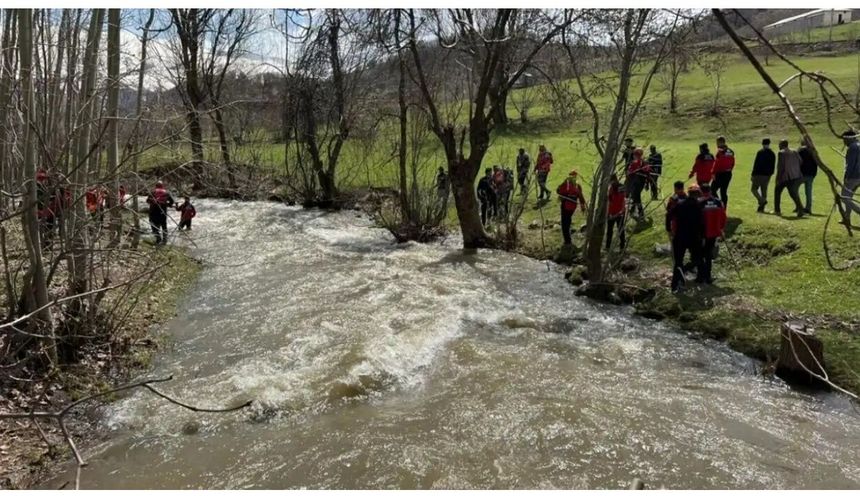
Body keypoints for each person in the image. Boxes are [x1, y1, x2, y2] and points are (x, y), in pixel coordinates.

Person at [668, 184, 704, 292]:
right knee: (697, 259)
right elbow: (702, 223)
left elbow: (669, 215)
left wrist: (669, 229)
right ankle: (685, 271)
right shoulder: (699, 206)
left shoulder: (680, 204)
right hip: (693, 237)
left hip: (680, 236)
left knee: (678, 261)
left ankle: (675, 285)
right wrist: (702, 236)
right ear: (697, 194)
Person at [698, 184, 727, 284]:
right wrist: (721, 229)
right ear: (710, 191)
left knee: (701, 254)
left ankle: (701, 276)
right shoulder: (718, 202)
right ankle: (708, 276)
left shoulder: (699, 203)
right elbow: (723, 217)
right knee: (708, 254)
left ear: (701, 192)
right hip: (714, 232)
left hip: (702, 233)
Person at [774, 139, 804, 218]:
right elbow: (801, 161)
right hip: (795, 175)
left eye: (779, 144)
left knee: (777, 191)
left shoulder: (781, 153)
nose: (778, 146)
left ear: (782, 145)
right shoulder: (794, 151)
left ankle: (777, 210)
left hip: (785, 176)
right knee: (793, 193)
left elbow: (780, 167)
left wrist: (777, 178)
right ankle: (800, 209)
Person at [556, 170, 587, 246]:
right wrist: (582, 206)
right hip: (573, 206)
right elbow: (581, 197)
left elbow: (558, 191)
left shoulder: (566, 184)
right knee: (568, 220)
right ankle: (568, 237)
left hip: (566, 205)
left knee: (564, 223)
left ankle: (567, 241)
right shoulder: (577, 186)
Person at [841, 129, 860, 227]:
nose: (844, 142)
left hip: (854, 176)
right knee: (849, 197)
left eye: (845, 140)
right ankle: (846, 218)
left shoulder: (853, 147)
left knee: (844, 197)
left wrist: (846, 176)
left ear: (850, 138)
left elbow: (851, 164)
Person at [146, 181, 175, 245]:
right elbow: (172, 202)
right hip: (163, 212)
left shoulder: (153, 192)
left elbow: (147, 201)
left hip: (153, 212)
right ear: (162, 186)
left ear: (156, 186)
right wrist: (167, 204)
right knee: (164, 226)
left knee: (153, 224)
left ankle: (158, 238)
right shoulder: (166, 193)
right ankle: (164, 240)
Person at [751, 138, 776, 213]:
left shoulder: (760, 152)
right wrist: (771, 174)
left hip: (758, 174)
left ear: (762, 144)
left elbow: (756, 164)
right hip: (767, 175)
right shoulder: (772, 153)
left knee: (754, 189)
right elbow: (773, 165)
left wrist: (753, 174)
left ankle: (762, 201)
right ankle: (761, 207)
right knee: (764, 190)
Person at [626, 148, 650, 219]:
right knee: (635, 196)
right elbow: (648, 173)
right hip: (642, 183)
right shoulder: (645, 162)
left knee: (637, 197)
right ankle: (632, 210)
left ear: (636, 155)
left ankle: (640, 212)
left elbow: (629, 172)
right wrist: (647, 184)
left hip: (635, 183)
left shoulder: (634, 163)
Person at [711, 136, 735, 206]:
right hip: (728, 173)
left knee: (712, 190)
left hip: (720, 174)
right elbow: (733, 163)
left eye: (717, 142)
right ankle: (724, 208)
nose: (716, 144)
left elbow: (717, 163)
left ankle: (719, 204)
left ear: (721, 142)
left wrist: (713, 173)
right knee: (723, 192)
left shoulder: (720, 152)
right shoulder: (731, 151)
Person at [606, 173, 627, 251]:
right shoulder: (611, 188)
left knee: (620, 230)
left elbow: (623, 200)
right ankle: (608, 246)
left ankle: (622, 246)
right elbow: (610, 201)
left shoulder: (619, 187)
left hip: (618, 212)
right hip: (612, 212)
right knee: (610, 230)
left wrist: (620, 212)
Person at [797, 139, 818, 214]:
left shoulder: (800, 151)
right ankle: (808, 207)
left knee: (794, 189)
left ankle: (798, 206)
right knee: (808, 192)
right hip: (811, 174)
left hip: (802, 173)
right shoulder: (813, 151)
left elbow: (798, 161)